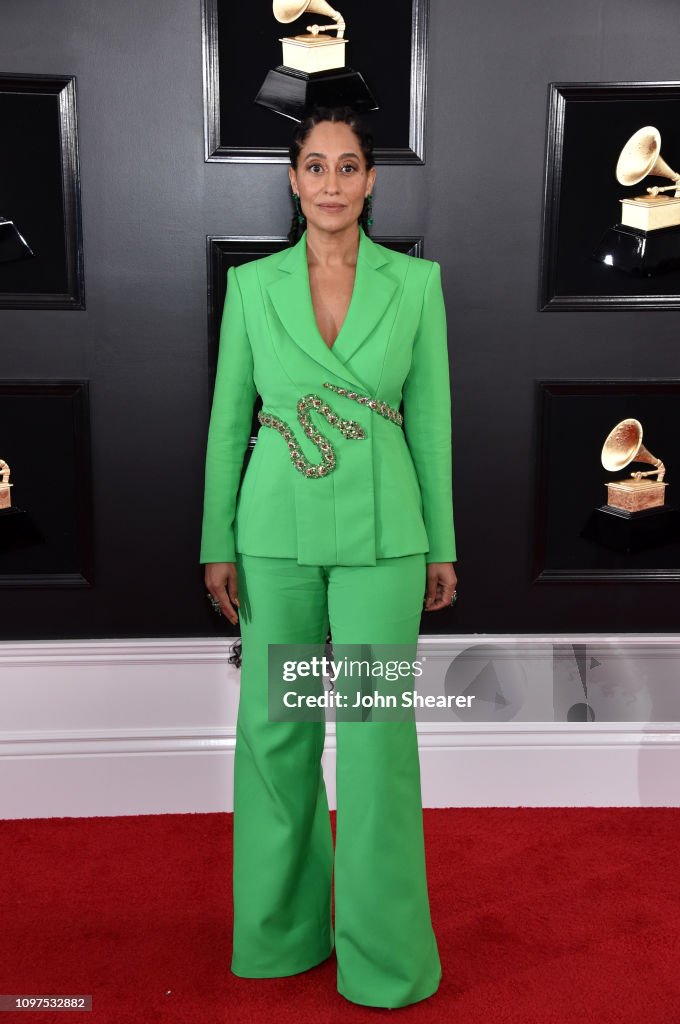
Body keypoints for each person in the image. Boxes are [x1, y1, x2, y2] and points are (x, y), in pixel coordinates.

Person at [201, 104, 458, 1009]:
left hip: (387, 539)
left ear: (372, 180)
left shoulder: (415, 286)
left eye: (349, 167)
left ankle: (384, 959)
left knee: (376, 741)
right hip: (273, 535)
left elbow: (430, 423)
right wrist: (216, 543)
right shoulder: (252, 286)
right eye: (316, 167)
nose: (332, 185)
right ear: (293, 179)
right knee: (276, 737)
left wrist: (442, 545)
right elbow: (230, 418)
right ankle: (280, 940)